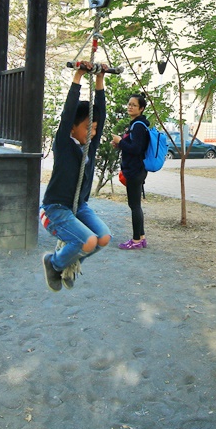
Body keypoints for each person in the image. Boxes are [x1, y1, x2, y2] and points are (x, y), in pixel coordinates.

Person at [40, 62, 111, 291]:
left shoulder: (89, 146)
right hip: (57, 208)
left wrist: (100, 79)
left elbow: (101, 113)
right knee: (87, 241)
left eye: (94, 129)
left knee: (103, 238)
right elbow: (68, 111)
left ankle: (70, 265)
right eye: (87, 128)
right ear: (72, 128)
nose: (92, 133)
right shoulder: (64, 142)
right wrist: (78, 76)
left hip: (78, 205)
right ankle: (54, 263)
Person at [112, 93, 150, 250]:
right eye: (129, 104)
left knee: (134, 205)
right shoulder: (136, 124)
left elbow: (136, 149)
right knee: (135, 204)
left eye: (134, 105)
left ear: (141, 108)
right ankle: (141, 237)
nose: (130, 107)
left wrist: (120, 141)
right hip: (136, 169)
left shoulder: (139, 126)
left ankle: (135, 241)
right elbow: (132, 145)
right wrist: (120, 144)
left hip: (135, 170)